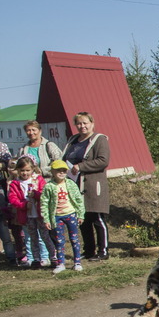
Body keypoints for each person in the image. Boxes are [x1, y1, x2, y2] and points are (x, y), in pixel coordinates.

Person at [62, 112, 110, 261]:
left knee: (97, 217)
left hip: (93, 184)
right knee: (83, 219)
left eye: (85, 123)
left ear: (92, 123)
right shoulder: (73, 140)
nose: (82, 126)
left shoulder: (99, 139)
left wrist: (81, 166)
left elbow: (103, 160)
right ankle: (89, 250)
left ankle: (103, 251)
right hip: (75, 184)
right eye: (79, 123)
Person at [8, 157, 53, 269]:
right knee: (29, 237)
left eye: (28, 170)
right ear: (18, 170)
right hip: (26, 215)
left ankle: (45, 257)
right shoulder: (15, 183)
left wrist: (36, 195)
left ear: (33, 169)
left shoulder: (38, 180)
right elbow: (12, 198)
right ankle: (32, 258)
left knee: (43, 236)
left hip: (39, 213)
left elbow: (44, 194)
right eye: (22, 170)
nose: (25, 173)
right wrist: (23, 205)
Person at [41, 159, 85, 273]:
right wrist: (46, 219)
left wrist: (80, 214)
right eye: (58, 170)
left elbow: (78, 200)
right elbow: (44, 203)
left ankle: (77, 262)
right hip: (56, 216)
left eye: (64, 171)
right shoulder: (49, 186)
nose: (61, 173)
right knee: (59, 241)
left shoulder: (70, 184)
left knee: (74, 239)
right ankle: (61, 263)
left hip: (70, 214)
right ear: (53, 172)